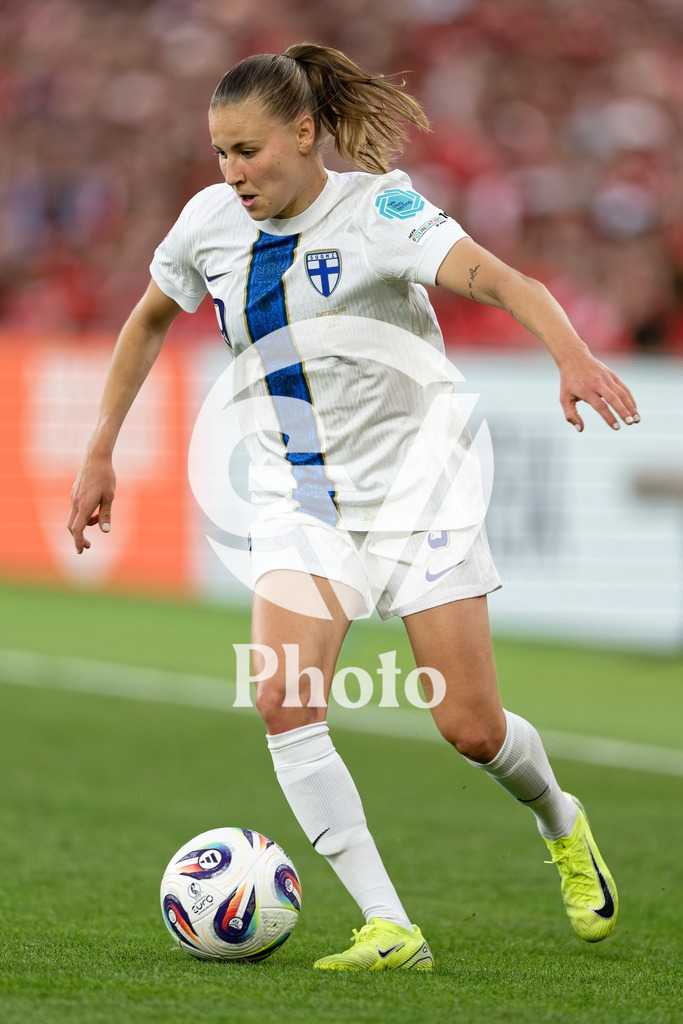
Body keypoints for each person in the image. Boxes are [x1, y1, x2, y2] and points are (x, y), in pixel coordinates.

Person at [68, 44, 638, 971]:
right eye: (219, 153)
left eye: (248, 151)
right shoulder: (207, 224)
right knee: (283, 701)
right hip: (301, 502)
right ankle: (390, 926)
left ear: (304, 134)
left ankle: (561, 820)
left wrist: (569, 355)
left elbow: (504, 281)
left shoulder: (380, 212)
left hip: (421, 500)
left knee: (471, 729)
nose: (232, 173)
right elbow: (145, 319)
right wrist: (100, 449)